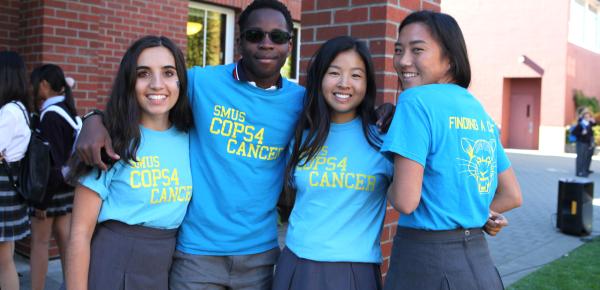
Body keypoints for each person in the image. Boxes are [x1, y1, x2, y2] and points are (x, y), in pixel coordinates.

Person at [76, 1, 393, 288]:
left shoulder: (301, 102)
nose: (266, 44)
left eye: (277, 37)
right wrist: (93, 118)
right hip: (195, 254)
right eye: (255, 35)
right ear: (240, 40)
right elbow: (148, 92)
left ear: (288, 44)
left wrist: (384, 114)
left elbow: (342, 111)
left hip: (258, 255)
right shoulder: (201, 82)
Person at [381, 11, 523, 289]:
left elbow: (405, 200)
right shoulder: (477, 109)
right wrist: (473, 215)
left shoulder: (414, 101)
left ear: (450, 58)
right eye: (399, 50)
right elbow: (512, 195)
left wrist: (380, 175)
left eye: (417, 50)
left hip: (424, 263)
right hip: (480, 264)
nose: (403, 61)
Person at [65, 35, 193, 290]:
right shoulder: (110, 141)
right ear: (129, 81)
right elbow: (79, 233)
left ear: (181, 79)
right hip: (110, 265)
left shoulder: (190, 136)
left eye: (168, 72)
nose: (157, 84)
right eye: (143, 73)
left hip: (164, 267)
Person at [272, 36, 393, 290]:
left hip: (355, 270)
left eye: (356, 75)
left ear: (368, 82)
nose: (344, 83)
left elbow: (421, 191)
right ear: (320, 78)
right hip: (298, 265)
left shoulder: (383, 139)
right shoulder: (301, 135)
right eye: (334, 73)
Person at [28, 64, 79, 290]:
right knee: (66, 244)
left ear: (45, 85)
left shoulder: (50, 115)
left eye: (34, 84)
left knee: (39, 244)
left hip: (49, 190)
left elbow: (48, 162)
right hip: (67, 188)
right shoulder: (69, 110)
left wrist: (42, 200)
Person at [0, 51, 32, 290]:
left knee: (4, 261)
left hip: (4, 189)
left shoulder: (9, 111)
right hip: (10, 188)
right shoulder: (19, 108)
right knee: (6, 257)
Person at [573, 107, 595, 177]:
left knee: (585, 158)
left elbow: (591, 131)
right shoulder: (581, 124)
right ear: (584, 116)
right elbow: (574, 132)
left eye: (589, 115)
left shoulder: (589, 123)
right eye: (586, 115)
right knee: (580, 158)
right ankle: (578, 172)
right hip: (580, 143)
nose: (588, 117)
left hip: (587, 143)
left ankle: (584, 171)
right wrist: (582, 133)